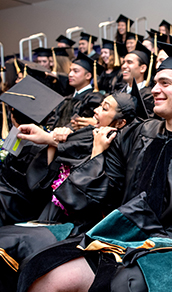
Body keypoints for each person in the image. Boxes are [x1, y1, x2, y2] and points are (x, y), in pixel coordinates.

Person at [16, 43, 172, 292]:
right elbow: (106, 183)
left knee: (126, 284)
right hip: (127, 236)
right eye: (154, 83)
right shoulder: (139, 132)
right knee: (45, 271)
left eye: (165, 83)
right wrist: (66, 144)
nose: (155, 90)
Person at [0, 89, 141, 292]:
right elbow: (45, 185)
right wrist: (52, 141)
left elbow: (81, 197)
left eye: (104, 108)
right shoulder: (84, 137)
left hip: (76, 228)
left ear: (120, 123)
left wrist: (96, 153)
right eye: (100, 105)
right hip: (49, 218)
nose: (96, 110)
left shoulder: (116, 152)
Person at [0, 75, 64, 226]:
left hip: (14, 211)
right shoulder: (49, 144)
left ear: (12, 117)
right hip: (26, 210)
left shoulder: (24, 144)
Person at [47, 52, 104, 130]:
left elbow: (81, 123)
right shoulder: (66, 99)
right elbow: (53, 121)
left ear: (88, 76)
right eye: (70, 71)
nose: (70, 74)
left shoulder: (94, 99)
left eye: (75, 71)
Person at [119, 41, 157, 119]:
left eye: (129, 62)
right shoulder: (121, 91)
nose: (124, 66)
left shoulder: (149, 96)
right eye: (123, 62)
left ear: (142, 68)